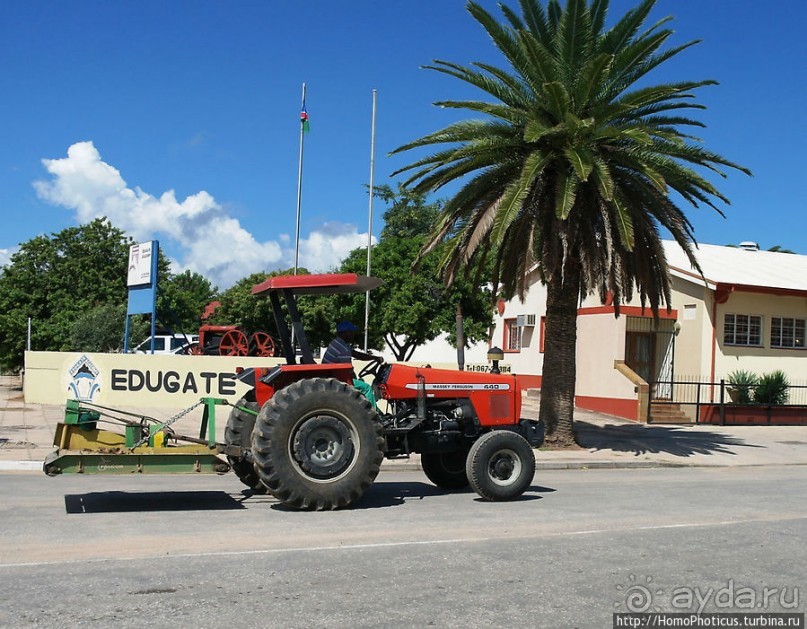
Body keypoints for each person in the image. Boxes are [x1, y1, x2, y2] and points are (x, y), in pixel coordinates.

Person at [322, 321, 382, 407]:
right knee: (367, 388)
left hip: (333, 375)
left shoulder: (338, 343)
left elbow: (356, 354)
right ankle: (375, 418)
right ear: (345, 333)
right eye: (351, 332)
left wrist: (374, 358)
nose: (353, 334)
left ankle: (375, 412)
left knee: (361, 382)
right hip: (336, 379)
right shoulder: (343, 349)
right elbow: (347, 372)